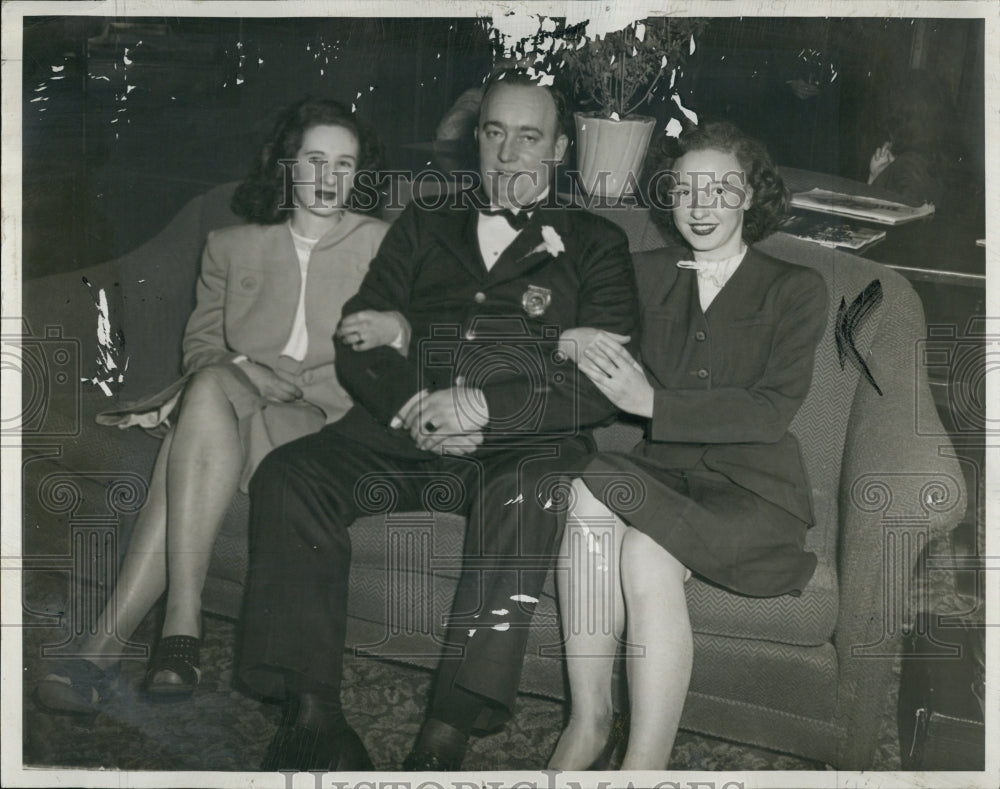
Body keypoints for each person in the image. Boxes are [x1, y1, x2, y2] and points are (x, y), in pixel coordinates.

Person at [236, 69, 639, 772]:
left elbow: (600, 384)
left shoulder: (599, 243)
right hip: (404, 430)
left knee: (532, 491)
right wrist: (413, 407)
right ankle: (312, 710)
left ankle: (449, 726)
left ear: (559, 149)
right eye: (494, 132)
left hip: (519, 445)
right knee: (288, 476)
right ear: (476, 139)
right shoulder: (424, 220)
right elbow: (358, 337)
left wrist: (486, 408)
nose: (508, 152)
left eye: (529, 136)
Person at [35, 98, 399, 714]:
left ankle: (113, 644)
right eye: (315, 159)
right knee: (207, 388)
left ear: (360, 175)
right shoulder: (231, 245)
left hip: (323, 421)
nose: (329, 178)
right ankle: (178, 628)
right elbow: (202, 348)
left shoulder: (381, 243)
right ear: (287, 166)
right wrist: (247, 368)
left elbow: (388, 352)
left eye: (345, 164)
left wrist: (296, 381)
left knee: (191, 430)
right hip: (236, 399)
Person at [547, 121, 828, 770]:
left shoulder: (795, 288)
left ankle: (641, 769)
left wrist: (652, 403)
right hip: (665, 476)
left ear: (750, 197)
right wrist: (566, 336)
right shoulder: (641, 273)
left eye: (720, 189)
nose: (701, 206)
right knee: (590, 480)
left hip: (754, 492)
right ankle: (589, 719)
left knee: (647, 547)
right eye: (685, 188)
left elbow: (769, 411)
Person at [867, 69, 953, 208]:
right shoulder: (928, 160)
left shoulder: (909, 166)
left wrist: (876, 177)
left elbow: (882, 219)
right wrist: (877, 174)